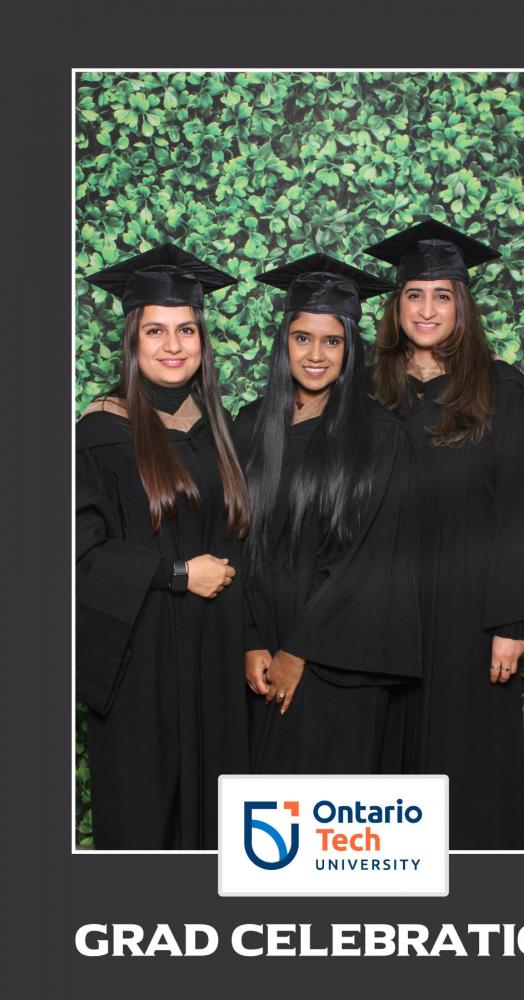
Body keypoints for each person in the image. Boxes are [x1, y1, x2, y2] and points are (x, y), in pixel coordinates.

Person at [366, 218, 524, 849]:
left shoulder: (502, 391)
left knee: (465, 767)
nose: (426, 310)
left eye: (442, 295)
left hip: (469, 615)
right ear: (396, 305)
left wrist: (512, 623)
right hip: (380, 612)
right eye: (413, 294)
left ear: (462, 304)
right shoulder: (366, 392)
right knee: (381, 765)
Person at [76, 243, 251, 850]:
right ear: (133, 340)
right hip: (140, 657)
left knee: (221, 822)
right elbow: (78, 552)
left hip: (216, 654)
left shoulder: (218, 430)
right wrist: (175, 574)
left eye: (186, 330)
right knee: (146, 814)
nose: (173, 345)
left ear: (202, 341)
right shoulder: (99, 434)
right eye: (155, 330)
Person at [233, 253, 421, 773]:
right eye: (302, 338)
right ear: (284, 344)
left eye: (332, 341)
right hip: (261, 657)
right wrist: (251, 640)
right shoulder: (250, 427)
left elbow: (370, 559)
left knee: (332, 805)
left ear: (350, 349)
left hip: (340, 662)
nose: (315, 355)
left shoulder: (380, 437)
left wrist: (300, 651)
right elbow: (233, 538)